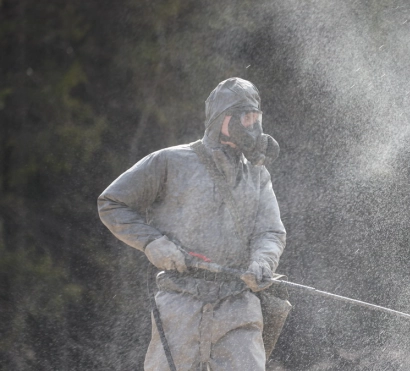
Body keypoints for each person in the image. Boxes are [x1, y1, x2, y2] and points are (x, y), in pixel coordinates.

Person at [98, 77, 286, 371]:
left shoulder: (258, 175)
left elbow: (270, 232)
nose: (253, 126)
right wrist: (152, 242)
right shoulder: (170, 161)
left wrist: (263, 261)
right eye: (245, 117)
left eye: (256, 117)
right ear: (222, 118)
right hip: (178, 304)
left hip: (238, 304)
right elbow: (112, 203)